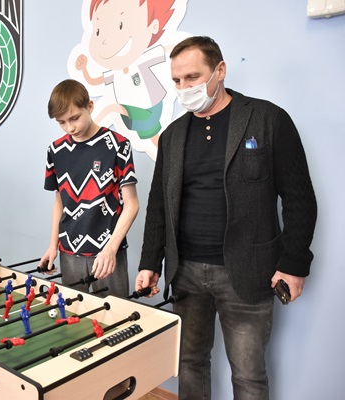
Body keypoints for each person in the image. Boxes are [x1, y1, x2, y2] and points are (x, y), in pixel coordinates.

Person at [134, 36, 317, 400]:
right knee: (189, 363)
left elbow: (299, 197)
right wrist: (150, 262)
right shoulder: (172, 136)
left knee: (248, 376)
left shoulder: (268, 119)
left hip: (248, 271)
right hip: (185, 272)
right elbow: (158, 204)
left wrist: (294, 264)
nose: (184, 88)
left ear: (220, 70)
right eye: (177, 80)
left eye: (192, 77)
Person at [39, 79, 139, 297]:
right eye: (61, 122)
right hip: (69, 253)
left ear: (90, 106)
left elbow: (132, 204)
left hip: (109, 252)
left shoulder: (118, 145)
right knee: (74, 313)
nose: (70, 127)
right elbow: (59, 202)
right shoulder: (55, 150)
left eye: (75, 118)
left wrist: (111, 249)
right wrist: (53, 245)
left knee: (115, 313)